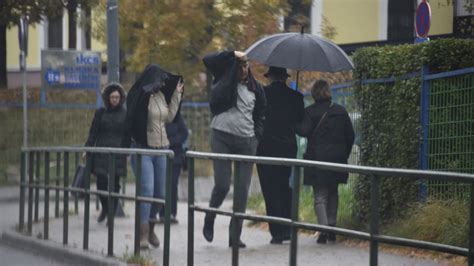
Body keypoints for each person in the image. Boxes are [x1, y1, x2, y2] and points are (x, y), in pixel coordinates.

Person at [202, 50, 266, 248]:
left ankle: (234, 236)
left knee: (242, 192)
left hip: (247, 142)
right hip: (221, 136)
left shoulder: (256, 89)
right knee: (222, 185)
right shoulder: (223, 79)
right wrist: (232, 53)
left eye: (246, 66)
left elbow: (261, 114)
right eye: (240, 67)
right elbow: (208, 59)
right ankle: (210, 216)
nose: (244, 70)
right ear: (233, 69)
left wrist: (256, 137)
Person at [123, 65, 184, 249]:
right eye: (160, 79)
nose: (163, 83)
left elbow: (170, 118)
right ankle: (142, 234)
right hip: (144, 149)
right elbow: (133, 116)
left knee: (160, 194)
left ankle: (151, 228)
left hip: (162, 149)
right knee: (147, 191)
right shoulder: (142, 96)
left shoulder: (160, 97)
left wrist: (176, 95)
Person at [297, 80, 355, 244]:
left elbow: (303, 131)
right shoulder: (341, 111)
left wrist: (296, 118)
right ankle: (332, 228)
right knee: (333, 192)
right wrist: (343, 153)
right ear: (328, 92)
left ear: (314, 93)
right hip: (337, 159)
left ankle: (323, 230)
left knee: (320, 196)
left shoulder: (310, 112)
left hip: (317, 159)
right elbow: (350, 136)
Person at [256, 66, 304, 244]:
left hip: (265, 148)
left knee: (270, 190)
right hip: (287, 148)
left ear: (270, 78)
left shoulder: (261, 94)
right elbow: (300, 122)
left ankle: (276, 232)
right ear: (285, 78)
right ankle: (288, 229)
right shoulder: (296, 97)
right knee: (284, 187)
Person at [84, 83, 127, 224]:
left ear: (120, 98)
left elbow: (128, 135)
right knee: (101, 182)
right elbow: (93, 132)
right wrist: (87, 148)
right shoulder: (100, 112)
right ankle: (105, 208)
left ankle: (111, 215)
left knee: (115, 184)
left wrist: (127, 151)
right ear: (108, 98)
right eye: (112, 97)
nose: (114, 99)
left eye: (117, 97)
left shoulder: (125, 114)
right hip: (101, 150)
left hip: (118, 152)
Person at [157, 112, 189, 223]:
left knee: (172, 184)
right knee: (161, 184)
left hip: (175, 156)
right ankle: (161, 213)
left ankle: (171, 213)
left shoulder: (177, 118)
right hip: (160, 155)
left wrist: (170, 142)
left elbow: (184, 134)